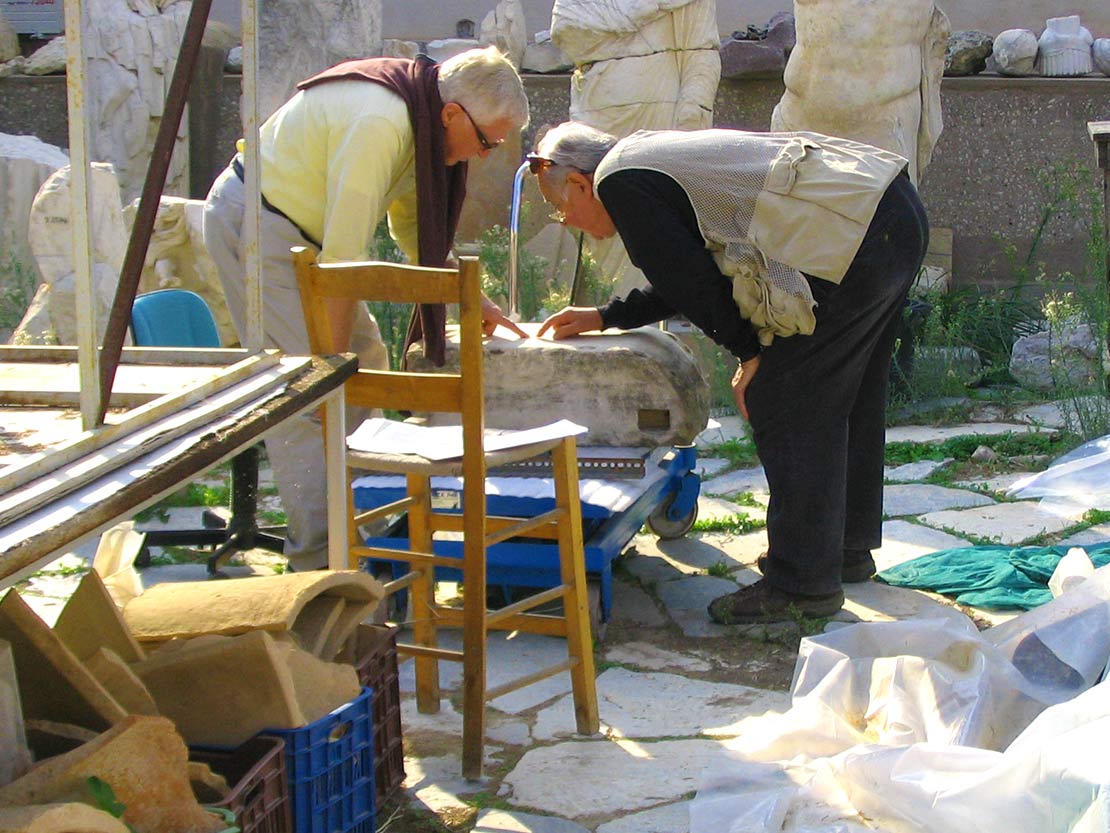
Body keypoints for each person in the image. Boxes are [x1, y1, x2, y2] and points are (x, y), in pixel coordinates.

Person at [532, 121, 929, 623]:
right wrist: (607, 316)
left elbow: (694, 283)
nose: (564, 219)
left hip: (859, 235)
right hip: (889, 214)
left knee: (783, 398)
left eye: (559, 205)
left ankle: (801, 584)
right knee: (844, 397)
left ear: (578, 183)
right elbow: (687, 271)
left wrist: (750, 356)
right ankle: (841, 552)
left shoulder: (619, 180)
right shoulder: (642, 160)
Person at [203, 46, 529, 571]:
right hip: (258, 222)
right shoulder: (381, 121)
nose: (486, 155)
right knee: (301, 398)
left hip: (304, 236)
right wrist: (325, 373)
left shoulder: (420, 118)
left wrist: (473, 297)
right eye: (487, 140)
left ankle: (372, 531)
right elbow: (341, 265)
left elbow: (410, 225)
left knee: (367, 362)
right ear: (452, 114)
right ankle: (323, 565)